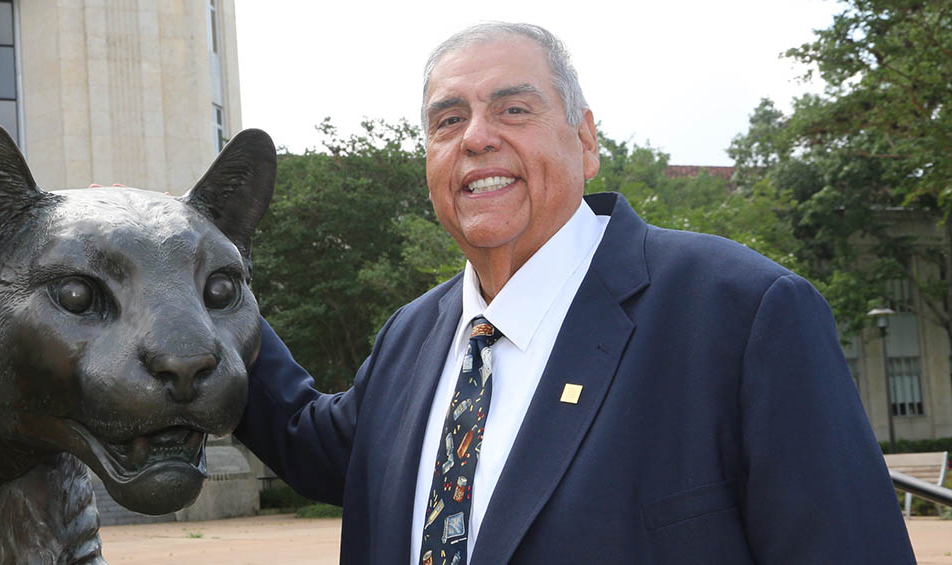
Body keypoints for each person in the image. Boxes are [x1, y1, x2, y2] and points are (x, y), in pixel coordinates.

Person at [235, 22, 914, 564]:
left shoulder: (742, 314)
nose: (476, 137)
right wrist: (192, 286)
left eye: (514, 108)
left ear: (585, 140)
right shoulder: (409, 337)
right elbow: (304, 438)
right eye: (447, 121)